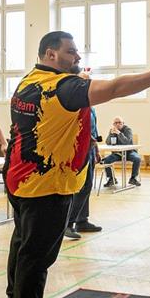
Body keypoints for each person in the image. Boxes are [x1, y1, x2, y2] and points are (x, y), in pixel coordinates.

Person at [0, 31, 150, 298]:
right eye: (71, 52)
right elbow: (114, 87)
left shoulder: (28, 82)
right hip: (46, 184)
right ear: (50, 55)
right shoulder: (62, 88)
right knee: (37, 253)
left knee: (22, 244)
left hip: (18, 178)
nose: (77, 57)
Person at [64, 101, 102, 240]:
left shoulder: (91, 108)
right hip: (78, 151)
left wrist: (96, 149)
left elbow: (94, 131)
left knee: (88, 185)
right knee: (82, 186)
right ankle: (68, 223)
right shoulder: (75, 107)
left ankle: (82, 220)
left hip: (90, 150)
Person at [102, 116, 142, 187]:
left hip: (129, 152)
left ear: (123, 123)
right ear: (113, 124)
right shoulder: (112, 130)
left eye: (120, 122)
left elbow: (126, 142)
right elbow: (108, 142)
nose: (118, 124)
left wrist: (119, 133)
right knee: (107, 160)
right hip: (117, 153)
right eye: (116, 123)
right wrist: (111, 134)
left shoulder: (128, 130)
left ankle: (133, 178)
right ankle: (112, 179)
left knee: (137, 159)